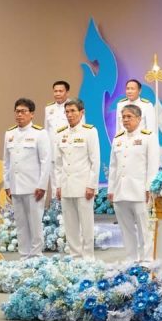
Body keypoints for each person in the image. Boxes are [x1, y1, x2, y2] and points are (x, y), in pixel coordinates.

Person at [108, 104, 159, 263]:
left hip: (140, 191)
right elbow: (113, 166)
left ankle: (147, 260)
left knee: (145, 228)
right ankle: (131, 258)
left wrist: (149, 187)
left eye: (129, 116)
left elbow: (153, 165)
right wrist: (111, 189)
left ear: (138, 118)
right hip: (120, 190)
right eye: (123, 117)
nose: (125, 120)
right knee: (126, 228)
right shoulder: (118, 138)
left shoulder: (148, 137)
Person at [3, 98, 52, 258]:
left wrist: (42, 185)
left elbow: (45, 161)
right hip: (16, 186)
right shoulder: (9, 134)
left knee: (35, 222)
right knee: (21, 223)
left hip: (33, 187)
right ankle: (24, 255)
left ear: (32, 114)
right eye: (17, 111)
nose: (19, 115)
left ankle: (36, 254)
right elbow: (6, 162)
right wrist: (7, 184)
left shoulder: (40, 133)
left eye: (23, 111)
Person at [54, 98, 100, 258]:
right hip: (66, 185)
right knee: (70, 224)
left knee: (86, 223)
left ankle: (88, 257)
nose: (69, 114)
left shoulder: (90, 131)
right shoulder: (60, 133)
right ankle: (75, 255)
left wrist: (91, 185)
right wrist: (58, 186)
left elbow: (95, 161)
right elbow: (58, 163)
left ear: (82, 112)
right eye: (67, 111)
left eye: (73, 111)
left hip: (83, 185)